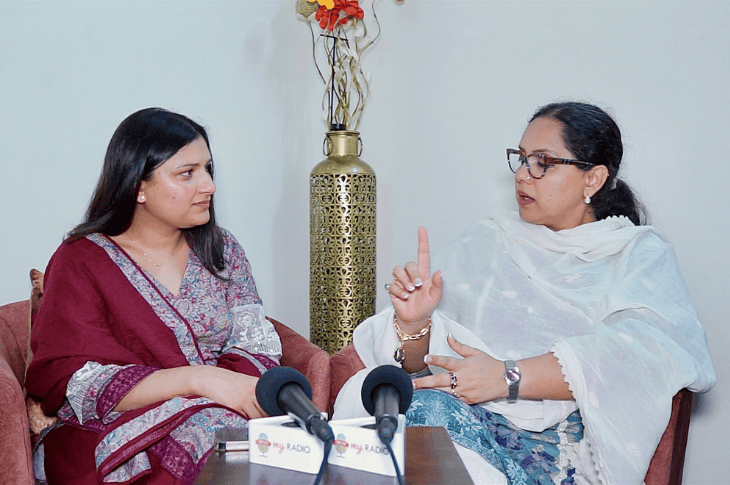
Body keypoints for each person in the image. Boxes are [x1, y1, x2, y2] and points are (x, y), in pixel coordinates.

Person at [333, 102, 716, 484]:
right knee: (404, 413)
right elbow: (420, 371)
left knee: (426, 416)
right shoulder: (486, 242)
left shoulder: (636, 254)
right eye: (520, 158)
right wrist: (414, 324)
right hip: (447, 424)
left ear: (593, 178)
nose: (522, 175)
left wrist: (507, 377)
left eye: (543, 162)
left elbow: (646, 353)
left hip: (549, 458)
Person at [26, 108, 282, 485]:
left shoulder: (222, 250)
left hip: (229, 405)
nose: (208, 185)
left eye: (208, 169)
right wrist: (198, 381)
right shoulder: (82, 260)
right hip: (108, 429)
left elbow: (255, 345)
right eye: (187, 173)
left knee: (254, 439)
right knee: (212, 435)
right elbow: (76, 380)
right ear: (138, 187)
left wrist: (217, 391)